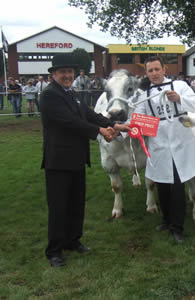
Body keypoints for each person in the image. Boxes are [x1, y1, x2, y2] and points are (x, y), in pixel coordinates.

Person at [40, 53, 132, 267]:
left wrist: (116, 125)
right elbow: (70, 122)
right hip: (58, 161)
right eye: (62, 72)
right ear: (54, 74)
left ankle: (73, 240)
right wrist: (100, 130)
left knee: (76, 203)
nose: (67, 75)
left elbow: (89, 115)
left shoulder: (71, 94)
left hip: (76, 158)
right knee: (58, 207)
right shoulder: (49, 95)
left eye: (70, 72)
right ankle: (54, 251)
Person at [134, 56, 195, 243]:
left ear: (164, 69)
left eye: (157, 69)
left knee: (177, 184)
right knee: (162, 184)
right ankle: (166, 220)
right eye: (150, 71)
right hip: (159, 144)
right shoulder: (144, 94)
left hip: (180, 140)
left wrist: (180, 99)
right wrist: (121, 129)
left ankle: (177, 226)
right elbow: (138, 118)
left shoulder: (179, 86)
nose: (154, 73)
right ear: (146, 73)